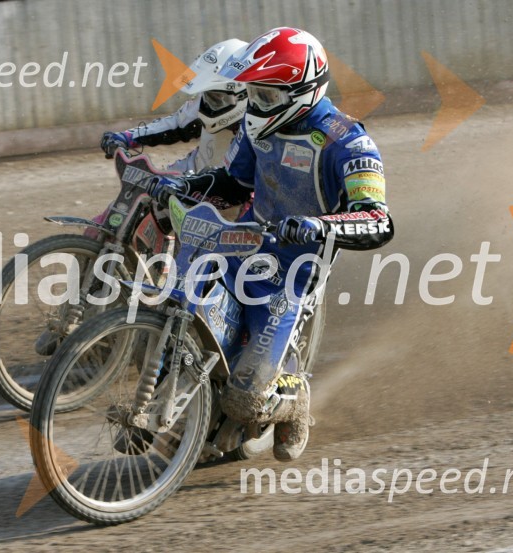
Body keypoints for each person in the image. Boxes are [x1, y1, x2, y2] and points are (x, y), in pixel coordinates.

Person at [148, 27, 394, 461]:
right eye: (254, 93)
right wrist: (184, 187)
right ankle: (163, 409)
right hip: (244, 240)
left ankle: (293, 397)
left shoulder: (349, 142)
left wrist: (317, 226)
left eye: (266, 95)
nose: (256, 105)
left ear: (302, 92)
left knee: (244, 399)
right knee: (179, 311)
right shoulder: (253, 123)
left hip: (294, 271)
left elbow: (377, 219)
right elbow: (234, 182)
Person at [99, 38, 249, 175]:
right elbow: (176, 124)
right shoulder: (210, 103)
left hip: (236, 194)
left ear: (243, 93)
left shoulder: (263, 130)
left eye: (217, 98)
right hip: (195, 180)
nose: (209, 104)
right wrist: (127, 137)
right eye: (209, 95)